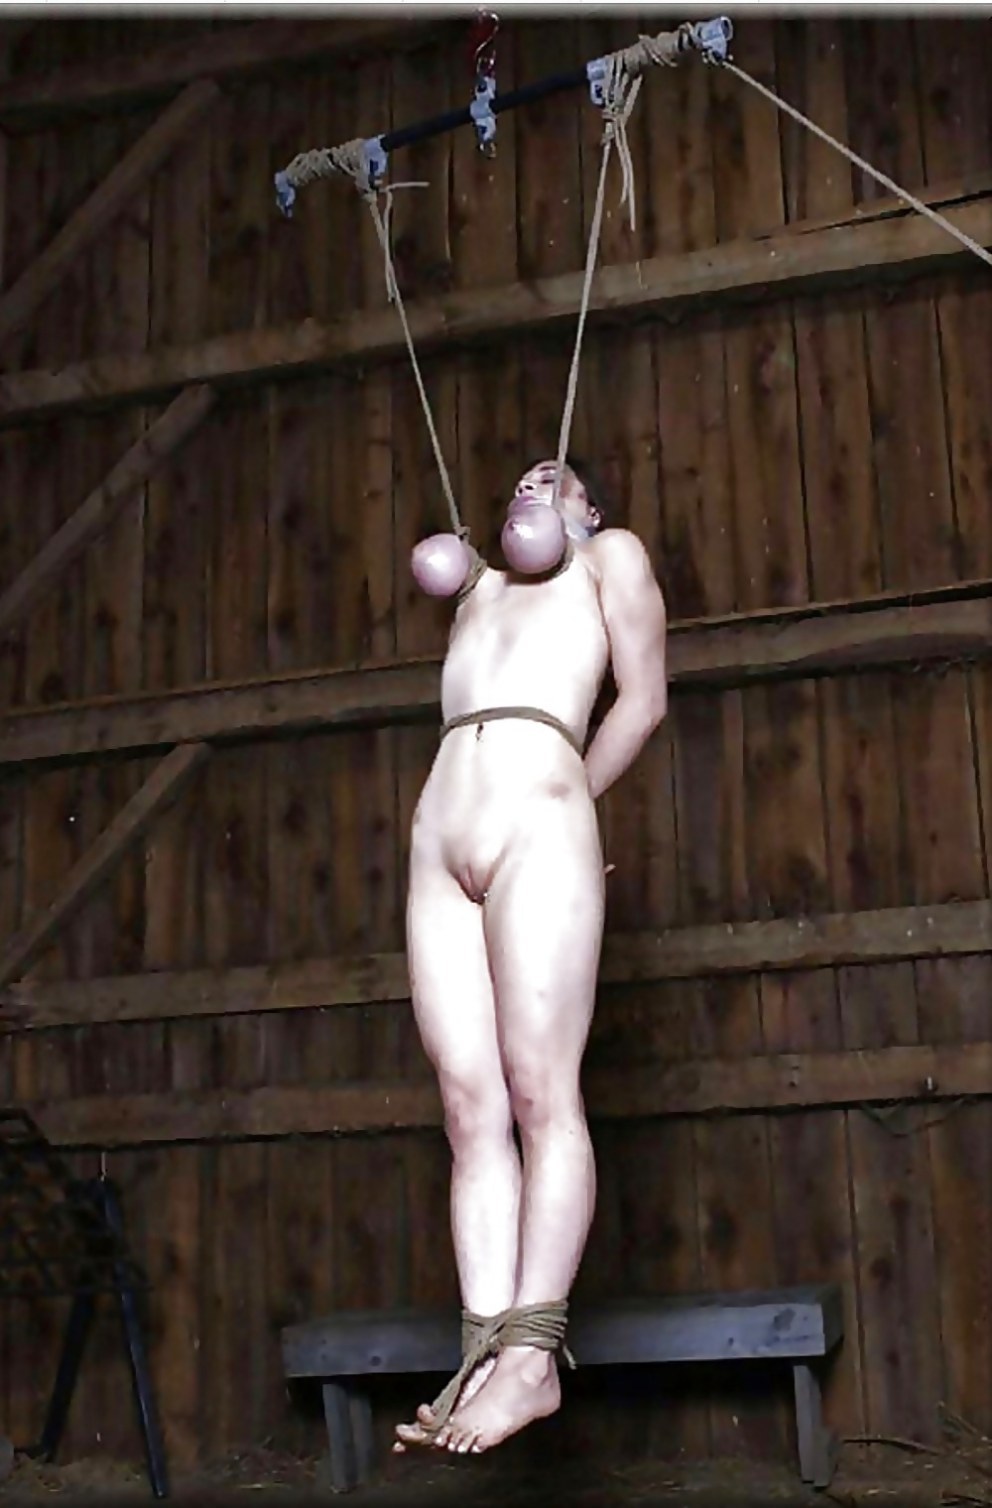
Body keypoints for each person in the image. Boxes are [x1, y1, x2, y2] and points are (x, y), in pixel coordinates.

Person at [394, 455, 668, 1458]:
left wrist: (566, 806)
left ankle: (532, 1358)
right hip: (440, 833)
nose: (534, 479)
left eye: (558, 479)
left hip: (538, 824)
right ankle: (482, 1347)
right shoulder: (479, 586)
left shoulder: (609, 559)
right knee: (469, 1106)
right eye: (521, 477)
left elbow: (642, 699)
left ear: (588, 511)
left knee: (539, 1090)